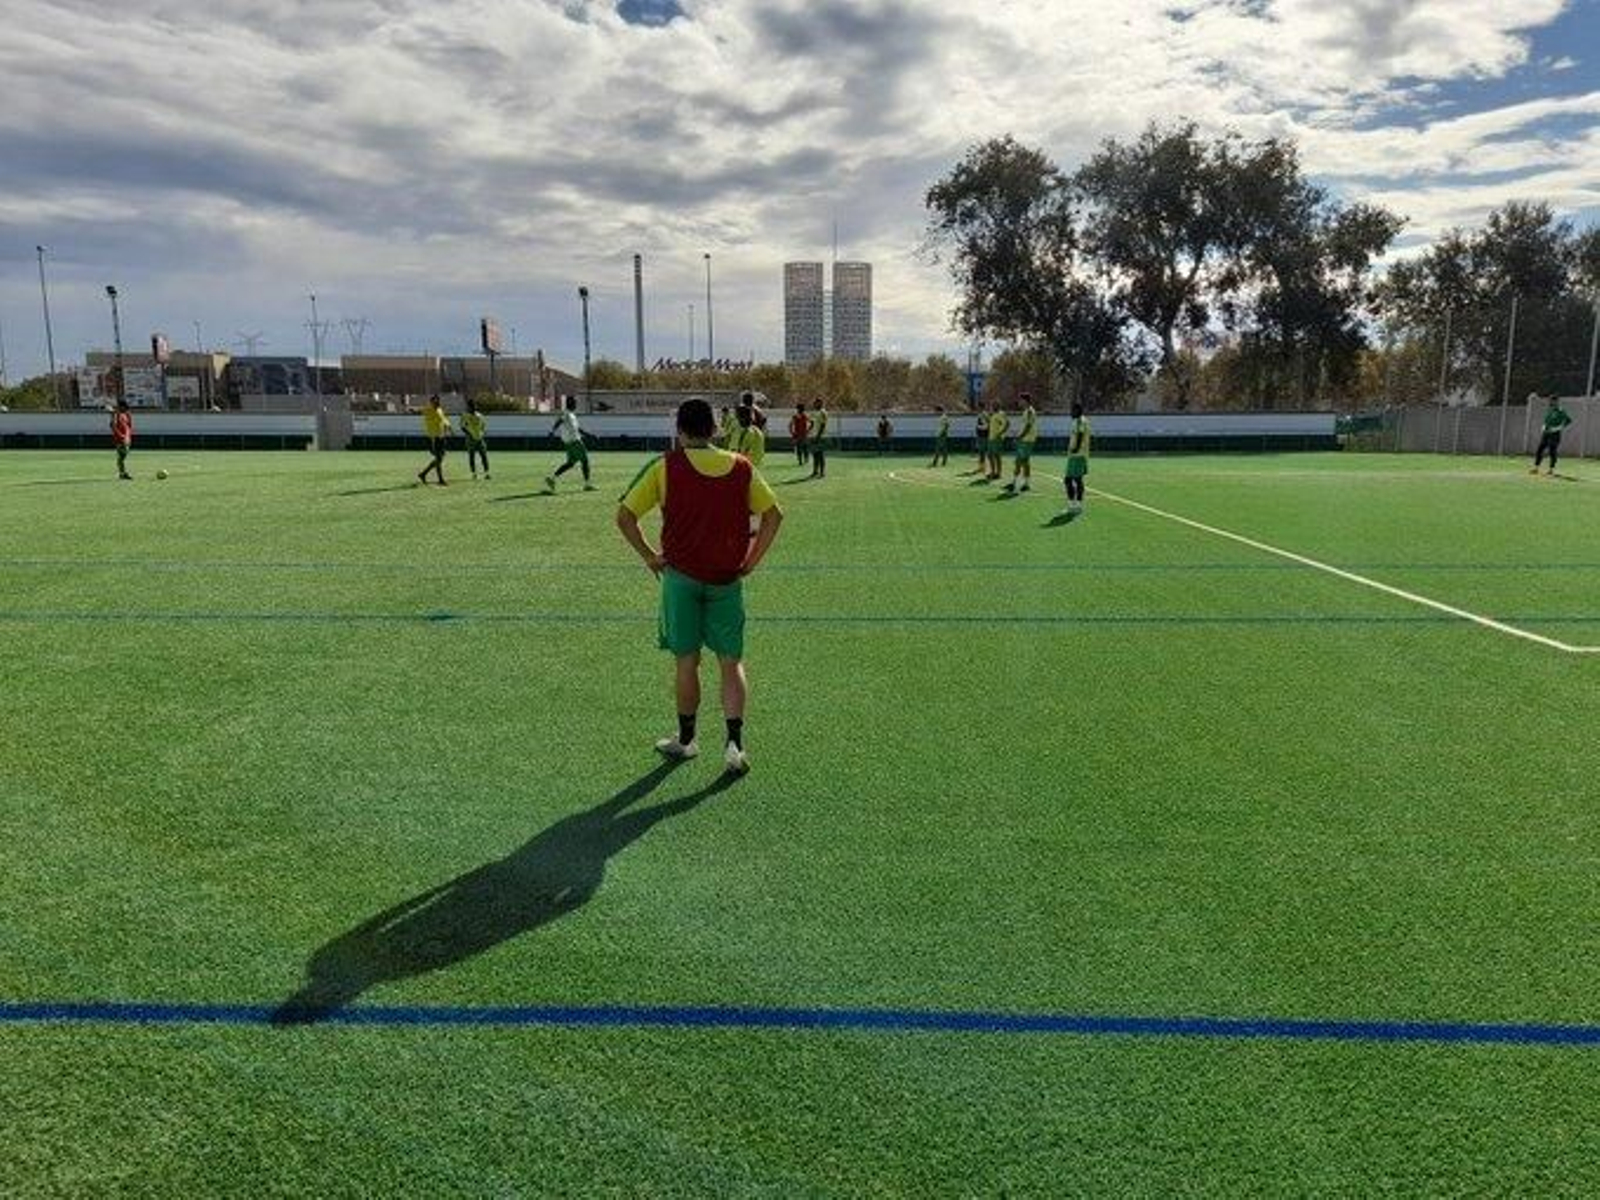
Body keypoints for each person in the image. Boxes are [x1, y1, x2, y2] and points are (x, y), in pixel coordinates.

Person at [616, 397, 784, 775]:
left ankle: (688, 740)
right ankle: (735, 746)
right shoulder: (741, 468)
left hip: (681, 579)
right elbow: (774, 516)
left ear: (680, 430)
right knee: (731, 662)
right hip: (727, 580)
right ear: (715, 429)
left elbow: (624, 516)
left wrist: (649, 556)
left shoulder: (665, 467)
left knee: (686, 661)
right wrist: (750, 563)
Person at [546, 397, 596, 492]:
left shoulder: (572, 415)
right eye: (575, 403)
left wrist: (589, 435)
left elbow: (577, 429)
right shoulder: (566, 413)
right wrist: (552, 431)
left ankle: (552, 478)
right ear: (571, 404)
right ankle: (587, 484)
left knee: (570, 463)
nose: (576, 405)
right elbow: (559, 421)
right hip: (575, 441)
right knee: (585, 461)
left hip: (569, 442)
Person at [1004, 393, 1038, 492]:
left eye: (1021, 400)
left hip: (1027, 440)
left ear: (1025, 401)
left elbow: (1028, 427)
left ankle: (1025, 484)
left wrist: (1019, 437)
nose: (1019, 402)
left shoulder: (1030, 411)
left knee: (1024, 462)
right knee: (1019, 462)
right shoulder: (1026, 411)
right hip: (1024, 440)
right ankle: (1015, 483)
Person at [1531, 394, 1573, 476]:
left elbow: (1568, 420)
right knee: (1540, 449)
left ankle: (1551, 469)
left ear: (1556, 401)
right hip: (1546, 433)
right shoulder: (1549, 410)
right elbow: (1546, 420)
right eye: (1550, 400)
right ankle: (1536, 468)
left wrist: (1558, 428)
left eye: (1552, 401)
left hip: (1555, 434)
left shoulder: (1560, 411)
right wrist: (1543, 426)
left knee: (1552, 451)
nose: (1550, 402)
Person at [1063, 401, 1091, 515]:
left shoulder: (1080, 421)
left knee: (1073, 480)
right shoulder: (1077, 421)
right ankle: (1074, 505)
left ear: (1078, 411)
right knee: (1072, 480)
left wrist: (1076, 448)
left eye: (1073, 410)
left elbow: (1080, 435)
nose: (1071, 412)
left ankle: (1076, 505)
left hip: (1078, 455)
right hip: (1075, 455)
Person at [417, 395, 451, 486]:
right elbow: (420, 410)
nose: (437, 402)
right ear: (431, 402)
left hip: (441, 437)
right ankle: (440, 480)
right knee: (439, 459)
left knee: (440, 458)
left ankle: (423, 474)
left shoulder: (440, 410)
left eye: (438, 400)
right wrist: (411, 409)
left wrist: (448, 427)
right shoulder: (429, 409)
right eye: (435, 401)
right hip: (433, 438)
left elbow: (444, 420)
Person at [462, 398, 490, 481]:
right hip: (471, 440)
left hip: (480, 438)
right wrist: (469, 434)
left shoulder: (479, 415)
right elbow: (462, 427)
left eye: (473, 406)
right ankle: (474, 474)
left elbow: (483, 426)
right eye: (470, 406)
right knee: (471, 456)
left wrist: (482, 433)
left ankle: (487, 473)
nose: (472, 407)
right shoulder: (465, 416)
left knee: (484, 456)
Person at [733, 401, 766, 466]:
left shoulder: (746, 433)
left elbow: (740, 454)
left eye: (737, 416)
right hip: (757, 466)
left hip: (747, 466)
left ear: (742, 418)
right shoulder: (758, 431)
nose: (736, 418)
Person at [110, 399, 134, 480]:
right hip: (120, 439)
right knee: (121, 457)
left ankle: (122, 473)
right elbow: (113, 426)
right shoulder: (116, 415)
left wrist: (128, 436)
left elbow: (129, 426)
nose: (127, 409)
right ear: (121, 407)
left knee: (123, 456)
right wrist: (121, 436)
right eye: (125, 407)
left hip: (127, 438)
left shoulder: (127, 414)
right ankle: (123, 473)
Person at [986, 402, 1009, 481]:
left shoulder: (1001, 414)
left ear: (998, 406)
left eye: (993, 405)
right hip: (991, 438)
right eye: (992, 406)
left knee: (997, 456)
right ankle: (993, 472)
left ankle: (998, 473)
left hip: (997, 439)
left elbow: (1007, 424)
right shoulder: (993, 414)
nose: (992, 407)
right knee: (989, 455)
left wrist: (1000, 434)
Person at [809, 399, 829, 479]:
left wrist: (818, 436)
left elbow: (823, 425)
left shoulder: (823, 412)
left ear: (821, 403)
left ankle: (822, 472)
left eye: (817, 403)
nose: (815, 404)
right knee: (815, 455)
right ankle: (815, 471)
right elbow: (812, 423)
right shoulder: (813, 413)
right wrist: (808, 431)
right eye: (814, 403)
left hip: (821, 437)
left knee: (820, 455)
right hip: (813, 436)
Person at [972, 407, 989, 474]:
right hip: (981, 436)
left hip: (983, 436)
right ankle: (981, 467)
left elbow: (986, 426)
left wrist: (978, 426)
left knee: (982, 452)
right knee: (981, 452)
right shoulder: (982, 415)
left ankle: (983, 468)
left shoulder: (983, 415)